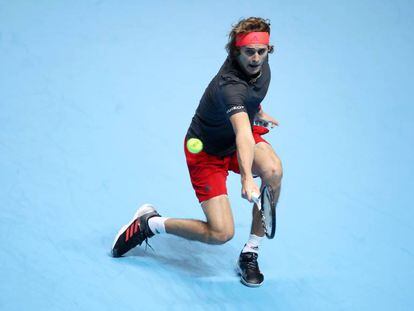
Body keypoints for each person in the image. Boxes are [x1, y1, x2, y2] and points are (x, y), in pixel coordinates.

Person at [111, 17, 283, 287]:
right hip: (208, 152)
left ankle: (250, 252)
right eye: (249, 52)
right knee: (220, 233)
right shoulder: (230, 87)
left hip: (238, 134)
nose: (256, 58)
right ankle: (150, 223)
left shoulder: (260, 65)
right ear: (236, 51)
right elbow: (242, 135)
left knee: (273, 172)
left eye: (262, 51)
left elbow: (252, 100)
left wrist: (257, 112)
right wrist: (247, 178)